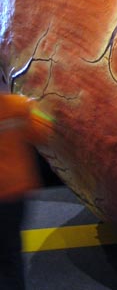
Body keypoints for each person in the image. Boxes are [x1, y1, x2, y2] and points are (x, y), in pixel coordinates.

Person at [0, 74, 53, 289]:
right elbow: (44, 132)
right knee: (10, 254)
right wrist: (36, 107)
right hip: (13, 192)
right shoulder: (18, 106)